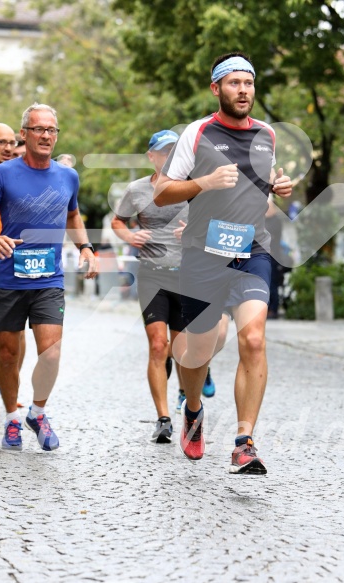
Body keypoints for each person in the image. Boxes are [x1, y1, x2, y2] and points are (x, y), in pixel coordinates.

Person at [154, 52, 292, 473]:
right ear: (216, 88)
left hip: (251, 253)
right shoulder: (197, 133)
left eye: (248, 83)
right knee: (198, 349)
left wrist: (278, 186)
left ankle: (244, 441)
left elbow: (257, 196)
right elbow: (162, 191)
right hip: (202, 256)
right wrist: (204, 183)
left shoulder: (267, 135)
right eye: (234, 83)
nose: (243, 90)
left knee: (253, 340)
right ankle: (192, 410)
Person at [111, 130, 226, 444]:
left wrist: (195, 231)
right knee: (158, 346)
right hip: (153, 275)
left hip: (189, 275)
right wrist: (129, 237)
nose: (169, 156)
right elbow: (118, 221)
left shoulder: (197, 187)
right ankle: (163, 419)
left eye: (175, 151)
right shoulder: (136, 190)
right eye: (163, 152)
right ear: (152, 156)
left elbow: (222, 225)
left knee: (183, 349)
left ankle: (192, 381)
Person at [0, 103, 97, 451]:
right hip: (7, 276)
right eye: (38, 129)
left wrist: (85, 247)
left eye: (51, 130)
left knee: (51, 352)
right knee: (7, 355)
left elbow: (73, 215)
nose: (46, 136)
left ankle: (37, 412)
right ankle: (11, 417)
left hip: (48, 279)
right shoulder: (4, 173)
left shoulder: (68, 176)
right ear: (24, 133)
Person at [0, 123, 19, 401]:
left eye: (11, 142)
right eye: (1, 142)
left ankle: (7, 384)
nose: (8, 148)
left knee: (12, 334)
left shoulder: (15, 175)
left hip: (10, 264)